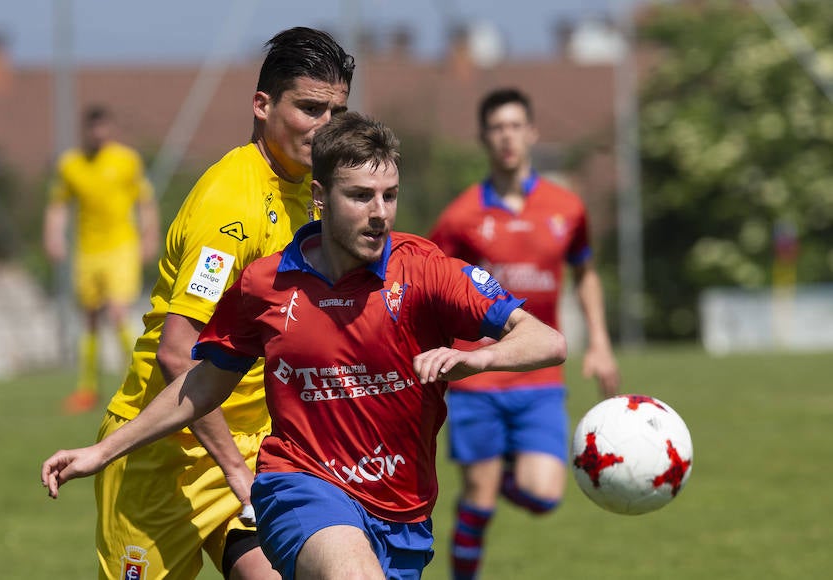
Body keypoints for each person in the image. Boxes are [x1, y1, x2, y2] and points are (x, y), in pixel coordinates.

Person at [42, 112, 568, 580]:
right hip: (301, 486)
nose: (380, 213)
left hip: (402, 509)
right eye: (360, 196)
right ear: (320, 199)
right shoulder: (264, 285)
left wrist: (479, 357)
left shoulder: (425, 270)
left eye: (390, 195)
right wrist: (102, 452)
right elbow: (201, 381)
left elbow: (547, 340)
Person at [63, 28, 354, 580]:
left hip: (254, 450)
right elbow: (179, 355)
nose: (324, 127)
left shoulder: (315, 194)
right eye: (309, 108)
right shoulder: (232, 206)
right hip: (160, 456)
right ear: (263, 106)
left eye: (335, 111)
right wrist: (235, 473)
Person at [428, 87, 621, 579]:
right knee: (479, 501)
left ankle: (506, 469)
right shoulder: (460, 217)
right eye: (497, 128)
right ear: (484, 138)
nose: (507, 137)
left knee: (545, 495)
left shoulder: (567, 208)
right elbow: (430, 283)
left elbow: (586, 272)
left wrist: (598, 341)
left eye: (516, 125)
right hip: (478, 376)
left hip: (539, 377)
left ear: (532, 132)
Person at [43, 104, 160, 414]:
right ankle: (87, 389)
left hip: (121, 247)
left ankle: (137, 382)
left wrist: (149, 236)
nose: (98, 134)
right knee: (91, 317)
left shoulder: (126, 160)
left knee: (118, 312)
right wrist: (53, 236)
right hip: (87, 252)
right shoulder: (71, 165)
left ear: (110, 129)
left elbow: (145, 202)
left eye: (103, 127)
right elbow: (58, 205)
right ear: (86, 130)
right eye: (93, 128)